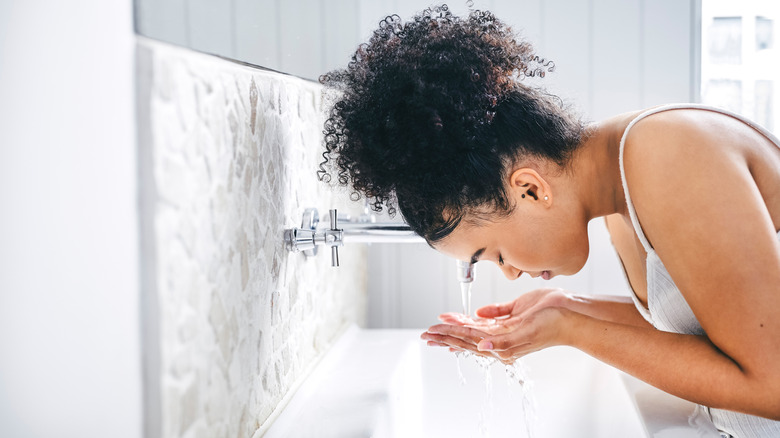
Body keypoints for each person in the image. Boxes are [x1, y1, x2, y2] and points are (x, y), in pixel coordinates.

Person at [318, 5, 780, 437]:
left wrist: (571, 329)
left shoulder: (667, 154)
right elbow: (716, 331)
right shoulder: (622, 185)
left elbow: (771, 385)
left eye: (494, 255)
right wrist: (569, 307)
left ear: (530, 188)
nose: (511, 273)